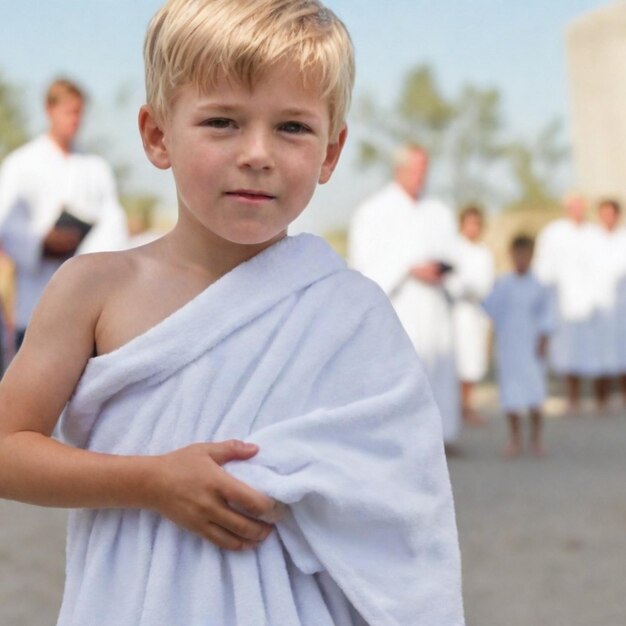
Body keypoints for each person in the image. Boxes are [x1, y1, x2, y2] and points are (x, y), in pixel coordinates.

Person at [0, 2, 465, 625]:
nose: (257, 153)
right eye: (222, 121)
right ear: (158, 134)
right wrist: (151, 481)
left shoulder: (351, 314)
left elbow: (406, 508)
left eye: (293, 128)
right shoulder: (95, 288)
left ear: (332, 151)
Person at [0, 78, 128, 352]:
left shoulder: (96, 167)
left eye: (79, 112)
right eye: (69, 111)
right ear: (50, 110)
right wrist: (42, 241)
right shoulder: (21, 164)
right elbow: (7, 225)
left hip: (86, 305)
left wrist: (84, 255)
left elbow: (112, 223)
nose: (75, 119)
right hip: (35, 301)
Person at [348, 144, 462, 447]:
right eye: (415, 169)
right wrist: (408, 268)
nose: (420, 176)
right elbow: (363, 267)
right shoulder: (373, 211)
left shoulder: (438, 211)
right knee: (401, 374)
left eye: (424, 169)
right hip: (398, 306)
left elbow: (455, 257)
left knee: (438, 367)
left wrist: (441, 269)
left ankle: (441, 436)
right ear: (399, 169)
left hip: (436, 307)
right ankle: (400, 440)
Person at [483, 236, 552, 458]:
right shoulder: (503, 284)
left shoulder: (539, 286)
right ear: (511, 255)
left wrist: (543, 339)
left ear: (532, 255)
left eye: (526, 254)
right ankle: (514, 439)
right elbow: (490, 309)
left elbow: (547, 315)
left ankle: (536, 439)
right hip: (509, 346)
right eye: (517, 254)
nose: (521, 259)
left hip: (531, 347)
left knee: (535, 394)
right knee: (511, 395)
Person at [533, 193, 599, 412]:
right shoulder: (553, 232)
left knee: (591, 351)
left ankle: (598, 398)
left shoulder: (594, 234)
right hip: (561, 302)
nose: (576, 210)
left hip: (591, 304)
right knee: (566, 352)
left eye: (580, 206)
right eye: (572, 206)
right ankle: (571, 397)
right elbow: (543, 267)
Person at [449, 206, 494, 425]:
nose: (473, 228)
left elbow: (487, 283)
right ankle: (457, 406)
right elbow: (452, 280)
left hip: (477, 312)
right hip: (458, 312)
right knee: (459, 360)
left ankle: (469, 405)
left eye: (477, 223)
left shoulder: (484, 252)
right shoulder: (453, 248)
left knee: (474, 360)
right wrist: (465, 289)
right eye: (469, 223)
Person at [591, 199, 626, 410]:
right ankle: (600, 400)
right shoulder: (590, 240)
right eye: (604, 213)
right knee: (599, 355)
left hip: (622, 308)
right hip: (599, 307)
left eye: (611, 213)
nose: (607, 218)